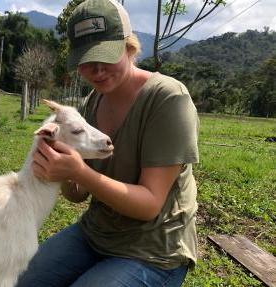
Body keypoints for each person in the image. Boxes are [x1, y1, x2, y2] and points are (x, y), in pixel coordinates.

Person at [16, 0, 199, 286]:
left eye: (106, 55)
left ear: (129, 47)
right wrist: (60, 166)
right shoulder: (92, 103)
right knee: (20, 279)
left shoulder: (168, 99)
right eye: (86, 61)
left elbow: (150, 204)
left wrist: (79, 171)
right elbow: (77, 195)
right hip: (95, 233)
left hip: (152, 250)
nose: (97, 70)